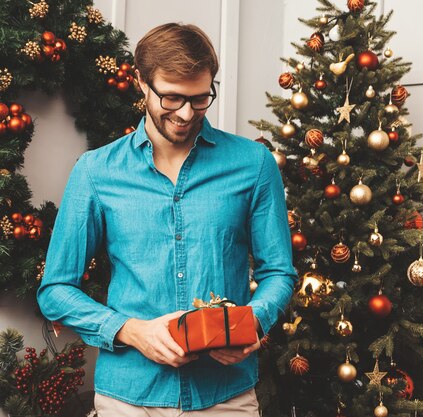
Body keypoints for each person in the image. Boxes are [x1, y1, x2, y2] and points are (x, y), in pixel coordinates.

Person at [37, 23, 297, 416]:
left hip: (226, 397)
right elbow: (55, 290)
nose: (187, 113)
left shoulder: (254, 164)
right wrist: (132, 332)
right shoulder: (95, 171)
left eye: (200, 98)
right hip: (127, 398)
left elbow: (278, 271)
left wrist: (252, 324)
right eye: (172, 98)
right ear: (142, 82)